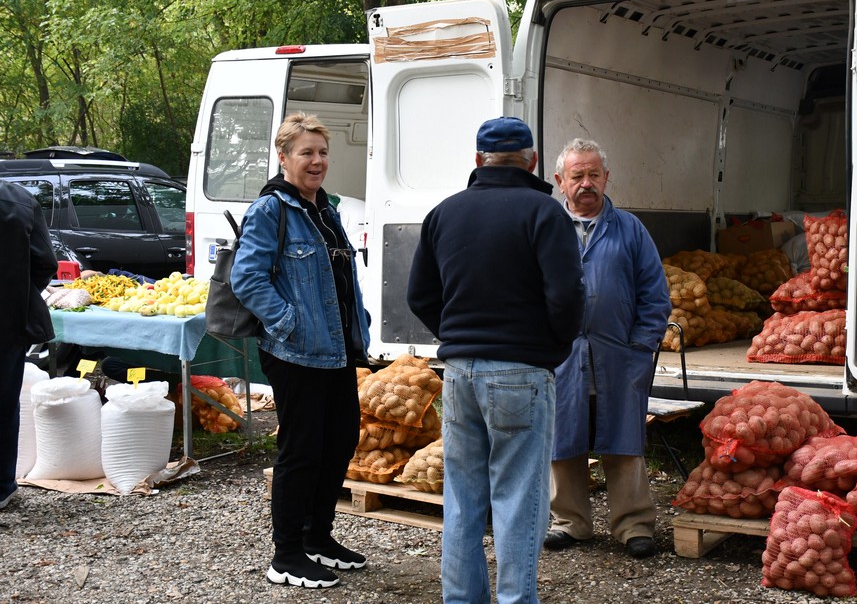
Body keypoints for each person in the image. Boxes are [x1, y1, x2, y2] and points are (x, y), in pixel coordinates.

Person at [407, 116, 585, 604]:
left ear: (478, 160)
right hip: (522, 373)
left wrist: (458, 336)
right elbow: (567, 296)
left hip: (460, 372)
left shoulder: (445, 213)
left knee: (462, 498)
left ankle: (462, 599)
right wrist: (551, 348)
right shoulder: (544, 213)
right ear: (531, 161)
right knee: (519, 499)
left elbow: (419, 295)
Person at [232, 112, 371, 589]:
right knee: (302, 450)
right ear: (284, 157)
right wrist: (289, 321)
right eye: (306, 152)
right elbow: (247, 277)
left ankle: (318, 536)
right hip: (295, 352)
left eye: (322, 152)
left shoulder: (322, 207)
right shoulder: (272, 209)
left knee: (339, 443)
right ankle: (287, 554)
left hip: (335, 351)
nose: (317, 161)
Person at [543, 138, 671, 560]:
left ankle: (633, 525)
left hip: (620, 356)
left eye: (593, 174)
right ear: (560, 181)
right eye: (577, 176)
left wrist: (641, 345)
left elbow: (655, 295)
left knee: (624, 440)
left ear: (606, 178)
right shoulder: (545, 227)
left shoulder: (630, 228)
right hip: (561, 357)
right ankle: (570, 522)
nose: (586, 184)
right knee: (563, 441)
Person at [1, 181, 58, 510]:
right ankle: (3, 487)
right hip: (8, 321)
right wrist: (20, 294)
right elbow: (45, 264)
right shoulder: (20, 200)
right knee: (4, 404)